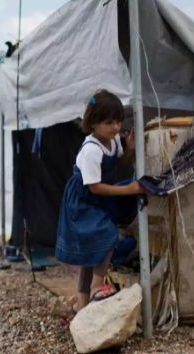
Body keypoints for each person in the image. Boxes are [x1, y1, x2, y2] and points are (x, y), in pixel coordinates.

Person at [55, 89, 147, 313]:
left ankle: (82, 306)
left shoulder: (113, 140)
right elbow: (94, 186)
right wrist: (127, 189)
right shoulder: (90, 150)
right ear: (93, 124)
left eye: (118, 121)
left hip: (97, 196)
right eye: (108, 122)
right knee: (105, 235)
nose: (115, 127)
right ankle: (97, 286)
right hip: (82, 201)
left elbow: (119, 163)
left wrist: (130, 148)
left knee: (90, 254)